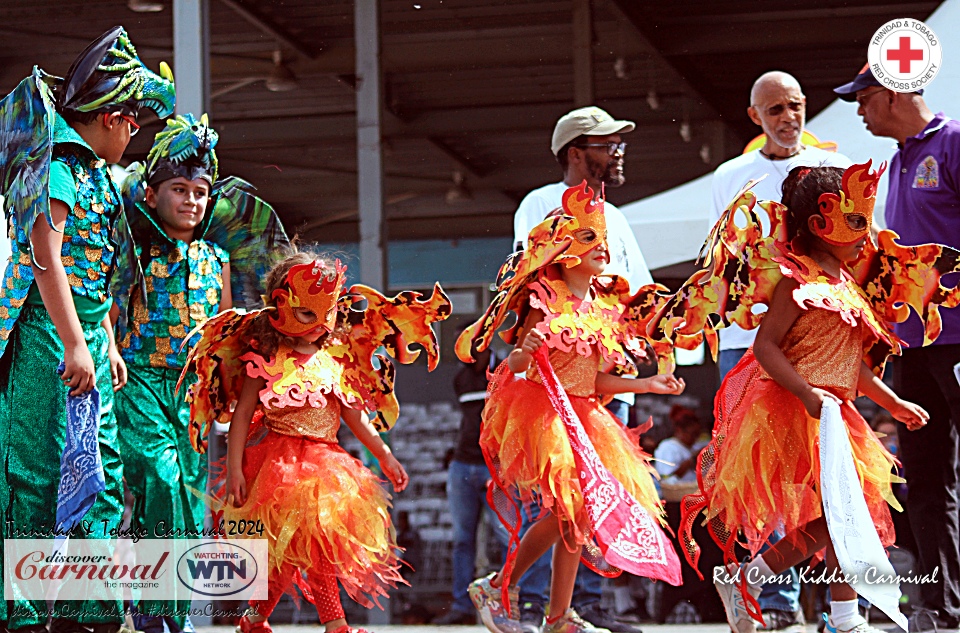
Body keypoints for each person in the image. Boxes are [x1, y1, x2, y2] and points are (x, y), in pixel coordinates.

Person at [657, 162, 959, 633]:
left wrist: (892, 402)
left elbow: (851, 365)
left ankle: (772, 589)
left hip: (838, 415)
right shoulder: (797, 281)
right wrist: (804, 393)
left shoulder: (851, 288)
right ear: (819, 225)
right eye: (857, 220)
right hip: (794, 411)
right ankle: (828, 611)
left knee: (844, 514)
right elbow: (765, 346)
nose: (869, 230)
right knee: (843, 514)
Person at [0, 26, 175, 633]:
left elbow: (97, 269)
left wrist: (103, 341)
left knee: (100, 471)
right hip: (49, 335)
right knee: (38, 470)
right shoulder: (60, 160)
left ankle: (90, 608)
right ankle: (17, 611)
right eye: (134, 124)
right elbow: (44, 248)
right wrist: (76, 340)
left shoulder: (99, 171)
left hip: (86, 337)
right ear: (116, 116)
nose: (135, 136)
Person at [182, 250, 451, 633]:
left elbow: (354, 416)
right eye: (306, 313)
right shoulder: (266, 358)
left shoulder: (335, 359)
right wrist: (237, 469)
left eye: (324, 313)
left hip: (326, 465)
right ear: (280, 306)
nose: (317, 324)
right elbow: (242, 415)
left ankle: (272, 619)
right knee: (290, 549)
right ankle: (318, 622)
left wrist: (385, 455)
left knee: (312, 543)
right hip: (278, 466)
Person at [457, 183, 685, 633]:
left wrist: (648, 384)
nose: (601, 247)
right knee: (569, 510)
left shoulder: (604, 309)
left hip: (589, 418)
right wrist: (524, 348)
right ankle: (502, 585)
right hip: (548, 416)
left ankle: (557, 616)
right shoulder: (545, 300)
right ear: (564, 251)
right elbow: (521, 365)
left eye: (603, 240)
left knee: (579, 516)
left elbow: (595, 379)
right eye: (588, 239)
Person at [111, 113, 289, 633]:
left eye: (200, 191)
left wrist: (232, 386)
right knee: (161, 482)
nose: (191, 200)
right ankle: (152, 608)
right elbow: (112, 308)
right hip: (139, 380)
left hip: (194, 391)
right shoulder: (135, 248)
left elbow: (228, 330)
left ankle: (168, 612)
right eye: (178, 188)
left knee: (187, 498)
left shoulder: (217, 257)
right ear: (150, 195)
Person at [709, 70, 851, 631]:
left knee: (830, 483)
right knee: (765, 475)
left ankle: (812, 605)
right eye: (775, 110)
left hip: (816, 345)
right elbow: (722, 259)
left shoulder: (830, 168)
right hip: (749, 341)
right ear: (755, 117)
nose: (788, 118)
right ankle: (775, 602)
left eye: (795, 105)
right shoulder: (730, 176)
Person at [510, 105, 651, 633]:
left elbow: (635, 288)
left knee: (593, 494)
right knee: (554, 492)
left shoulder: (616, 216)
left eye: (618, 143)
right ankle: (522, 599)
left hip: (603, 370)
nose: (617, 152)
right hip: (559, 373)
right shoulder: (541, 204)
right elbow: (529, 279)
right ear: (576, 151)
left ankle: (576, 606)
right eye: (606, 144)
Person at [834, 64, 960, 633]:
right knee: (929, 478)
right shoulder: (896, 160)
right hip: (912, 344)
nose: (857, 111)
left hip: (957, 336)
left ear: (890, 93)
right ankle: (940, 605)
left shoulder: (954, 142)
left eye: (862, 99)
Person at [437, 345, 504, 626]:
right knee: (463, 540)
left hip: (497, 467)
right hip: (463, 465)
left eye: (470, 346)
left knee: (507, 538)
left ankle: (510, 604)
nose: (466, 354)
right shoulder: (460, 377)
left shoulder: (505, 369)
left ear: (484, 344)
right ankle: (462, 607)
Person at [653, 406, 705, 485]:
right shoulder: (667, 447)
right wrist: (692, 460)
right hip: (674, 495)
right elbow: (666, 479)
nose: (695, 438)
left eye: (697, 434)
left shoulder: (693, 447)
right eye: (692, 434)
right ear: (679, 430)